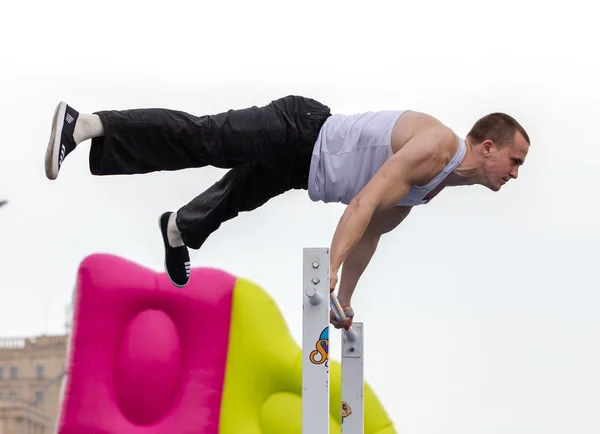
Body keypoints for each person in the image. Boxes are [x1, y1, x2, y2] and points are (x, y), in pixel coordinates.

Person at [44, 95, 530, 331]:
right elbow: (362, 204)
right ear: (488, 147)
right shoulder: (438, 147)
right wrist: (330, 268)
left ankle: (177, 228)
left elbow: (374, 230)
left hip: (304, 165)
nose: (514, 174)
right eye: (514, 162)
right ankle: (86, 124)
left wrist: (345, 296)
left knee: (236, 197)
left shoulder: (436, 184)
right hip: (298, 131)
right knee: (205, 138)